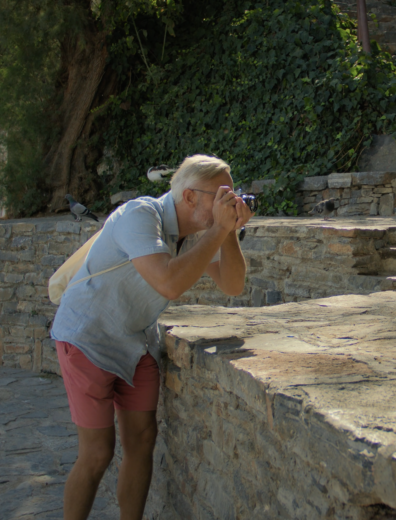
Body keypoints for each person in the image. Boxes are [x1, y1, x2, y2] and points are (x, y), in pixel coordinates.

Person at [49, 154, 252, 520]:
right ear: (190, 197)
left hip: (135, 341)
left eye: (233, 194)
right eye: (221, 193)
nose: (230, 201)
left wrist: (229, 231)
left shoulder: (191, 235)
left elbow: (233, 285)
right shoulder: (139, 216)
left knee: (142, 442)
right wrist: (218, 231)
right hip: (88, 337)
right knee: (97, 453)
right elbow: (168, 282)